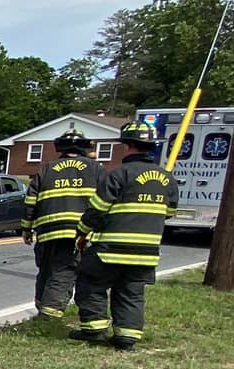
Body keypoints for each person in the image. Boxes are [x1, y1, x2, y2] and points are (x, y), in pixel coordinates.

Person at [73, 122, 178, 350]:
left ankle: (94, 330)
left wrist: (82, 230)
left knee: (91, 284)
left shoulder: (119, 174)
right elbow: (169, 212)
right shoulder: (167, 179)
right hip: (146, 253)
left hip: (111, 248)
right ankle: (126, 338)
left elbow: (97, 209)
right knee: (131, 292)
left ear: (127, 145)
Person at [22, 131, 105, 317]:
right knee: (64, 271)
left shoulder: (47, 168)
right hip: (79, 233)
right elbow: (104, 201)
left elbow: (30, 201)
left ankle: (42, 307)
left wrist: (26, 228)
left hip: (47, 232)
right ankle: (48, 317)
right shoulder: (95, 169)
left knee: (46, 270)